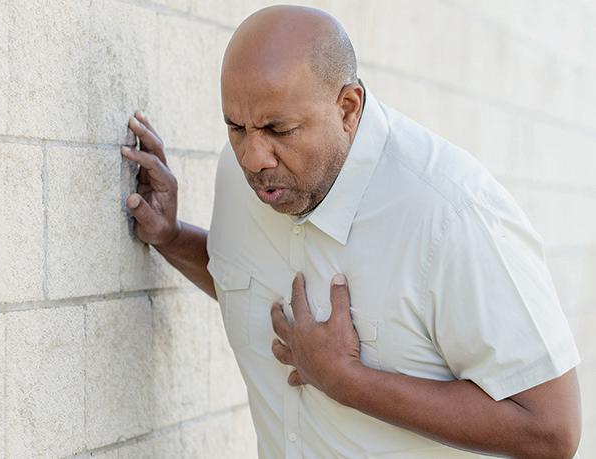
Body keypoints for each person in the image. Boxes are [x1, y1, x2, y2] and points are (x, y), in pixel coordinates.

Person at [120, 5, 582, 458]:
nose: (253, 158)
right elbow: (249, 283)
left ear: (347, 108)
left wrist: (348, 382)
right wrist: (172, 237)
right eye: (236, 127)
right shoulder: (245, 176)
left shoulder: (452, 214)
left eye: (279, 129)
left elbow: (551, 430)